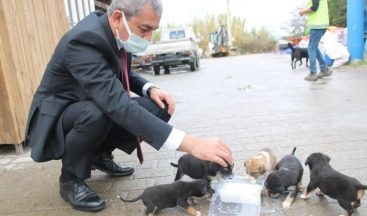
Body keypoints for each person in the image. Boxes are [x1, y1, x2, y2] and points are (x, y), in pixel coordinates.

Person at [24, 0, 233, 212]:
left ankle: (98, 155)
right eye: (145, 29)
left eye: (153, 30)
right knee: (99, 112)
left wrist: (149, 88)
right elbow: (116, 104)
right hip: (57, 116)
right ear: (117, 17)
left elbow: (123, 71)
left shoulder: (116, 32)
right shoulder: (82, 41)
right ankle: (70, 180)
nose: (149, 38)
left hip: (91, 106)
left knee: (158, 106)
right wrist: (191, 144)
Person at [299, 0, 332, 81]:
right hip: (321, 24)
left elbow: (314, 7)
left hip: (317, 25)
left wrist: (302, 11)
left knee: (311, 48)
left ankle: (313, 73)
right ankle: (324, 69)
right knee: (314, 47)